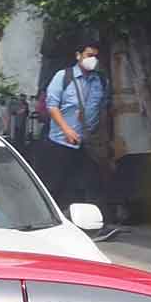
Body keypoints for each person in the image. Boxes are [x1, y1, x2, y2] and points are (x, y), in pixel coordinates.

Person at [38, 41, 107, 211]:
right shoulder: (63, 76)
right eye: (89, 55)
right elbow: (52, 105)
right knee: (55, 184)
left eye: (96, 56)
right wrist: (67, 130)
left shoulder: (100, 81)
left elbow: (104, 108)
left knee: (91, 184)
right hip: (60, 142)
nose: (93, 59)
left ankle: (94, 223)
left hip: (87, 144)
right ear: (79, 56)